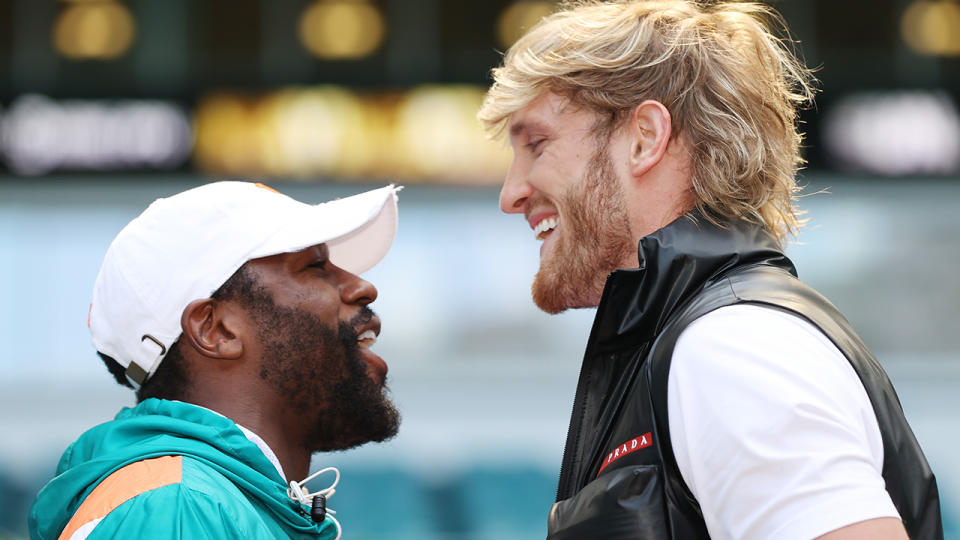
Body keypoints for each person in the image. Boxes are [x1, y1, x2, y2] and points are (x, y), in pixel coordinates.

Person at [478, 2, 942, 539]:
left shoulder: (732, 346)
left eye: (537, 144)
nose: (511, 194)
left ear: (645, 137)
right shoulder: (713, 334)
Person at [28, 181, 402, 540]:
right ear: (216, 330)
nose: (363, 286)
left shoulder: (208, 503)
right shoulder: (178, 508)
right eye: (315, 266)